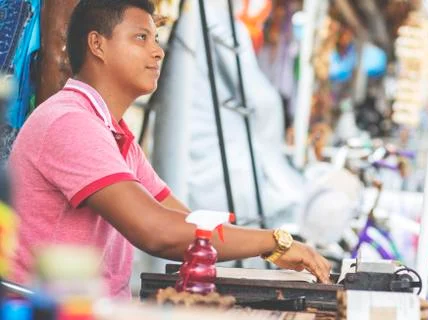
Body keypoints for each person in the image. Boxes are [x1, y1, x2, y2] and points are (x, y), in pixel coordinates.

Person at [8, 0, 331, 298]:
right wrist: (272, 242)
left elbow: (186, 221)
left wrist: (272, 244)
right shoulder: (70, 122)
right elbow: (156, 231)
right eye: (140, 38)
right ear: (97, 45)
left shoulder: (112, 132)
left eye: (156, 38)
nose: (157, 51)